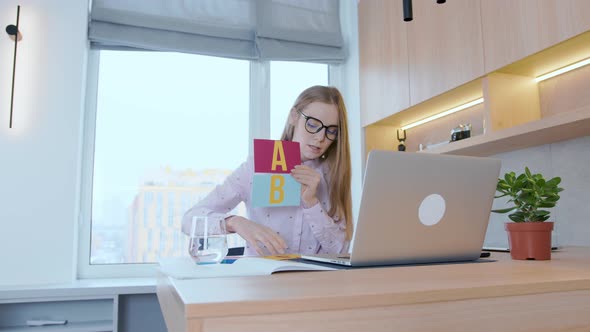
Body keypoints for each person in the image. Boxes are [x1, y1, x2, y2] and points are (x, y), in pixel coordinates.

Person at [181, 85, 353, 256]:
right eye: (313, 124)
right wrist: (235, 222)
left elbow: (340, 251)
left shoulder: (333, 175)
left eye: (331, 131)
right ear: (294, 117)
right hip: (262, 279)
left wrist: (312, 203)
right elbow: (189, 221)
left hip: (314, 280)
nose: (320, 137)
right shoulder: (255, 168)